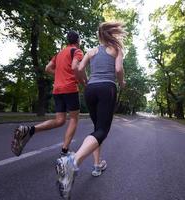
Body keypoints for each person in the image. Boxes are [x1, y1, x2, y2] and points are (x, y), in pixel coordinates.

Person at [55, 22, 126, 199]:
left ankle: (96, 165)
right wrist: (122, 82)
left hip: (90, 90)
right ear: (112, 35)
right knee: (102, 130)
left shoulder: (91, 51)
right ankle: (73, 161)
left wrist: (85, 82)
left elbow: (78, 69)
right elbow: (118, 69)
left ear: (99, 36)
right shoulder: (116, 49)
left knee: (96, 131)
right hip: (106, 88)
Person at [11, 30, 84, 157]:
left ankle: (29, 130)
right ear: (78, 41)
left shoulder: (59, 54)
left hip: (57, 89)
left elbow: (47, 68)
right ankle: (65, 150)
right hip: (70, 88)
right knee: (74, 118)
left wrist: (60, 74)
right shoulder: (77, 51)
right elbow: (75, 67)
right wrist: (81, 81)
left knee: (60, 120)